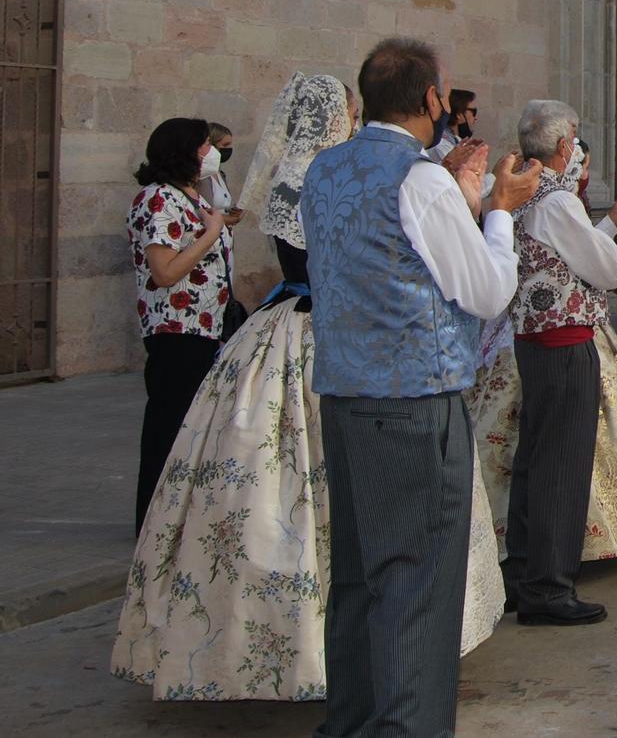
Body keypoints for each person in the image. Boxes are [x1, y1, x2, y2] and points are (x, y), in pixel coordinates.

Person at [113, 72, 507, 699]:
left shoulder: (307, 176)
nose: (351, 121)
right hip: (330, 335)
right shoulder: (323, 178)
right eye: (346, 112)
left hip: (287, 332)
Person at [299, 38, 537, 738]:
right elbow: (488, 289)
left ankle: (349, 724)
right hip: (414, 402)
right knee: (416, 587)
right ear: (431, 98)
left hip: (345, 396)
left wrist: (460, 198)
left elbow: (381, 258)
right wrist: (498, 208)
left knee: (358, 577)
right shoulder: (419, 177)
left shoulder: (324, 169)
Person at [492, 100, 617, 626]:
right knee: (561, 465)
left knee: (535, 460)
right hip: (564, 345)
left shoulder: (520, 191)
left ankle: (525, 576)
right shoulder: (555, 201)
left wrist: (614, 228)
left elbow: (578, 255)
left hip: (533, 339)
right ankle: (548, 586)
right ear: (566, 145)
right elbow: (609, 268)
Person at [128, 116, 233, 533]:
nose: (213, 153)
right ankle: (153, 525)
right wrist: (210, 234)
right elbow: (165, 271)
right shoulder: (156, 198)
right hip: (177, 329)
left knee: (193, 431)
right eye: (205, 145)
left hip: (206, 327)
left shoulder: (190, 195)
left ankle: (181, 521)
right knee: (168, 428)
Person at [422, 88, 479, 161]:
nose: (475, 118)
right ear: (459, 113)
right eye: (474, 112)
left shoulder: (453, 141)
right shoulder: (441, 143)